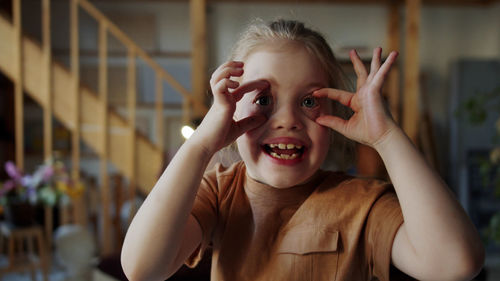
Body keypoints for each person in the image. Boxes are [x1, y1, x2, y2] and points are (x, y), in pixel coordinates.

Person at [121, 19, 484, 281]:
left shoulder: (363, 204)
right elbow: (142, 268)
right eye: (263, 98)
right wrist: (201, 142)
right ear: (230, 110)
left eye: (309, 100)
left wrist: (387, 137)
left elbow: (454, 264)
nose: (287, 120)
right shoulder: (218, 193)